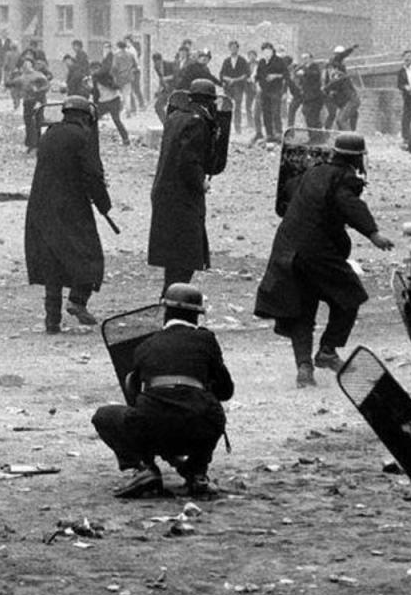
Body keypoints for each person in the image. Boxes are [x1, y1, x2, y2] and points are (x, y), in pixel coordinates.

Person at [254, 133, 394, 388]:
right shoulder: (345, 178)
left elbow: (288, 189)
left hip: (287, 248)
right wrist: (374, 233)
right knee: (350, 295)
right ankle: (328, 350)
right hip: (315, 251)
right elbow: (348, 204)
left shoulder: (311, 173)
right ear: (357, 159)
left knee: (301, 308)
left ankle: (304, 368)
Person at [92, 283, 234, 498]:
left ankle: (143, 468)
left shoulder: (145, 345)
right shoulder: (206, 340)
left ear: (166, 312)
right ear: (196, 316)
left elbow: (133, 392)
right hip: (198, 428)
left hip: (152, 428)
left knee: (104, 416)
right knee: (212, 413)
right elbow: (226, 390)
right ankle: (197, 472)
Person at [25, 96, 112, 333]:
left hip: (41, 206)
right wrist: (104, 204)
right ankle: (77, 300)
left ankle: (52, 320)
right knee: (89, 254)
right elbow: (93, 175)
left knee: (52, 260)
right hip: (71, 206)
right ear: (86, 117)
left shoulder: (49, 134)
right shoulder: (82, 137)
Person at [148, 80, 222, 291]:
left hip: (165, 193)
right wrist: (201, 181)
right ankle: (172, 305)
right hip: (183, 197)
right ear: (209, 102)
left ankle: (168, 299)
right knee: (186, 257)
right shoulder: (198, 122)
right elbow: (188, 161)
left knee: (175, 258)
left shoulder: (176, 117)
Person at [7, 59, 49, 153]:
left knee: (36, 122)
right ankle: (32, 143)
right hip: (29, 102)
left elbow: (46, 86)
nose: (26, 67)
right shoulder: (22, 77)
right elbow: (11, 84)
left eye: (28, 65)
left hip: (37, 101)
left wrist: (38, 91)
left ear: (32, 66)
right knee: (30, 122)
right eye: (25, 65)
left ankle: (36, 144)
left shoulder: (39, 76)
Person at [91, 60, 130, 146]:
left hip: (113, 100)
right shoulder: (95, 79)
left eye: (96, 68)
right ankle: (91, 138)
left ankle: (126, 139)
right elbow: (96, 92)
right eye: (93, 69)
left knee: (116, 119)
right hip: (103, 102)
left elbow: (115, 85)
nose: (95, 71)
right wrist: (95, 103)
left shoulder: (107, 76)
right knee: (93, 118)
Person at [256, 42, 287, 142]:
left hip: (275, 90)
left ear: (272, 50)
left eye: (269, 49)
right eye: (264, 50)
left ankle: (278, 133)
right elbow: (259, 75)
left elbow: (286, 74)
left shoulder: (279, 61)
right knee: (266, 113)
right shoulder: (261, 62)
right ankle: (269, 134)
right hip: (264, 91)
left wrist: (275, 76)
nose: (267, 51)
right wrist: (256, 80)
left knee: (276, 112)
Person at [219, 41, 249, 134]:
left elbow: (246, 74)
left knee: (238, 107)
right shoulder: (226, 61)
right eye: (232, 48)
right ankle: (224, 127)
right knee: (226, 106)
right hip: (228, 87)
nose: (233, 49)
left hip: (239, 86)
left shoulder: (242, 60)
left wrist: (235, 80)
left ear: (238, 49)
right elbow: (221, 74)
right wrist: (227, 79)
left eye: (235, 48)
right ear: (229, 49)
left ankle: (237, 127)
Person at [292, 53, 324, 131]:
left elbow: (315, 74)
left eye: (306, 58)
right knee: (307, 113)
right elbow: (297, 76)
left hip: (315, 96)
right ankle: (313, 136)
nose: (304, 60)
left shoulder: (314, 67)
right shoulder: (303, 68)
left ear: (311, 58)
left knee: (313, 116)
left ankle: (318, 136)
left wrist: (305, 72)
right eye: (303, 58)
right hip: (307, 96)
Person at [111, 41, 137, 117]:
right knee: (127, 94)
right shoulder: (130, 55)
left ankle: (120, 110)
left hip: (120, 77)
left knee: (120, 94)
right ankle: (128, 111)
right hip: (129, 76)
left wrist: (113, 76)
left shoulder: (116, 55)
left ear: (118, 46)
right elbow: (135, 65)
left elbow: (114, 67)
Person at [151, 52, 176, 124]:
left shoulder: (169, 64)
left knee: (173, 109)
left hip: (173, 89)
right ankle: (166, 123)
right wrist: (158, 90)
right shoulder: (156, 67)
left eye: (157, 61)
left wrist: (166, 78)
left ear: (161, 60)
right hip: (165, 90)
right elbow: (160, 79)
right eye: (155, 62)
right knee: (157, 107)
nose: (156, 64)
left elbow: (176, 75)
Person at [398, 50, 411, 152]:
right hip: (409, 99)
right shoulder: (401, 71)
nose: (406, 59)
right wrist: (406, 87)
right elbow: (399, 84)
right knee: (406, 118)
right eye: (404, 57)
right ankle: (406, 140)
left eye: (408, 57)